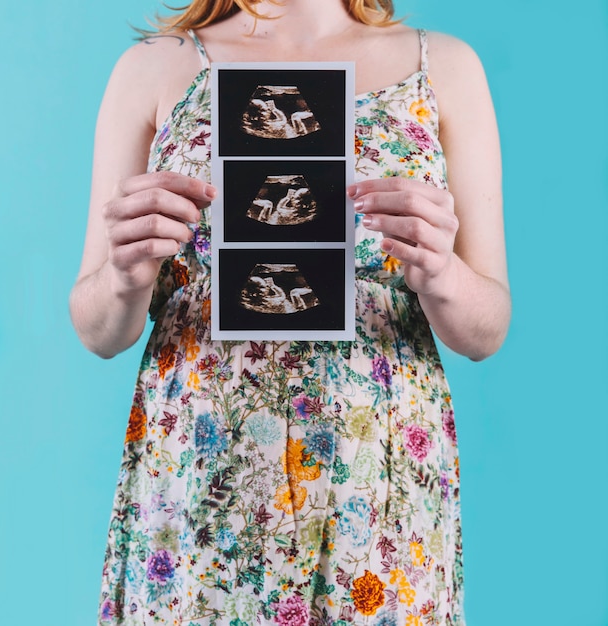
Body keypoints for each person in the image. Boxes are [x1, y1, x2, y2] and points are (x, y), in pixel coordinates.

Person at [69, 0, 510, 624]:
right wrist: (124, 274)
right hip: (204, 469)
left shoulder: (443, 67)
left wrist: (442, 271)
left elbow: (486, 328)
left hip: (375, 476)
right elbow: (96, 329)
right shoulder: (151, 68)